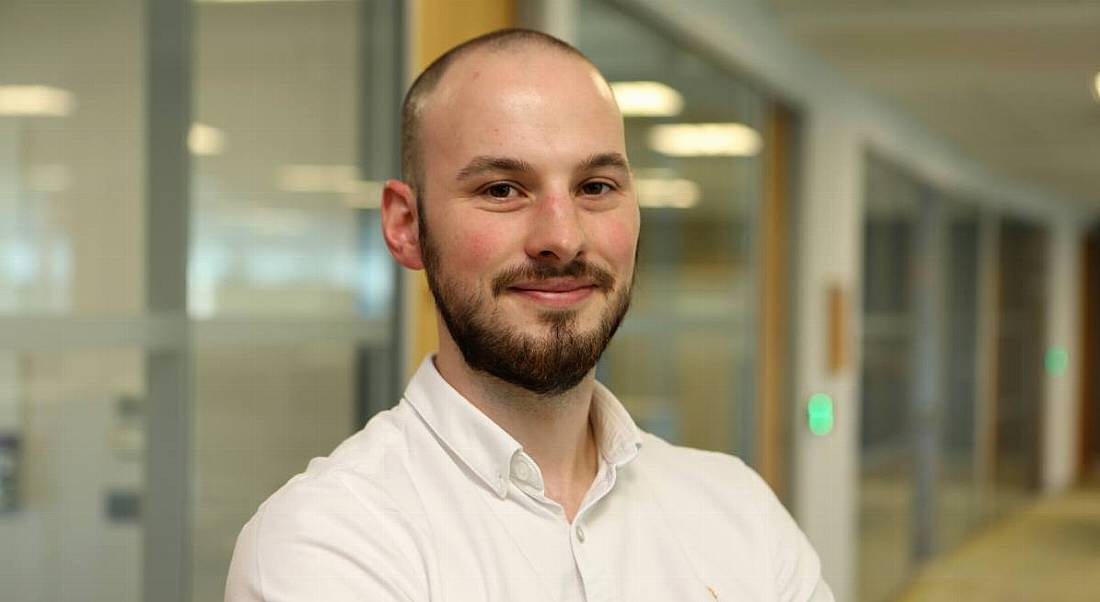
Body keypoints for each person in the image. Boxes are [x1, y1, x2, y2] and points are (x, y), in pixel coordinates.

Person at [225, 28, 832, 602]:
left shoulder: (740, 513)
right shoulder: (329, 541)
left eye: (595, 187)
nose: (562, 239)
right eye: (502, 189)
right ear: (406, 226)